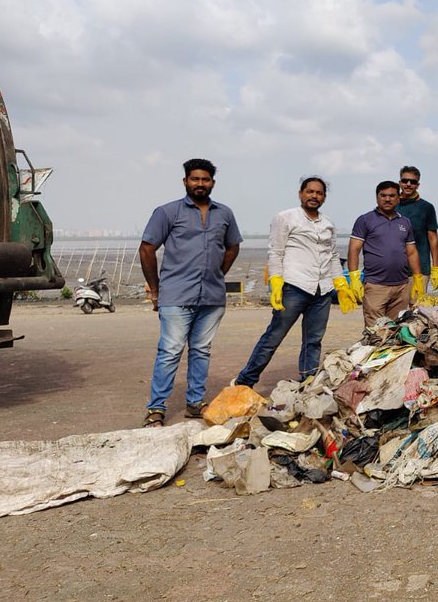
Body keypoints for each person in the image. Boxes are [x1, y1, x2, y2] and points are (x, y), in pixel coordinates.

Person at [139, 159, 242, 427]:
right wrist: (156, 289)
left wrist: (218, 273)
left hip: (212, 296)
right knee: (170, 350)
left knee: (201, 350)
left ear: (212, 183)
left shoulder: (225, 214)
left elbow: (232, 246)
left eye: (205, 180)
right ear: (185, 181)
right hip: (175, 294)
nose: (200, 184)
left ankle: (195, 404)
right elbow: (147, 248)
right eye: (194, 179)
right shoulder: (167, 212)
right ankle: (156, 409)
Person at [236, 177, 355, 389]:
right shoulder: (285, 218)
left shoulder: (328, 223)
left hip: (323, 290)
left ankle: (308, 381)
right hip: (295, 287)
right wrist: (276, 282)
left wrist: (341, 284)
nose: (314, 196)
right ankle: (245, 381)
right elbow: (276, 252)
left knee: (313, 339)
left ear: (324, 197)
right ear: (300, 193)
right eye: (310, 191)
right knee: (274, 336)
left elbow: (333, 255)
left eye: (319, 193)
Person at [347, 180, 424, 326]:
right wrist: (354, 278)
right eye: (383, 195)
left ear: (398, 197)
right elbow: (354, 249)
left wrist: (418, 279)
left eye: (391, 196)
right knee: (375, 332)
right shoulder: (365, 220)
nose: (387, 199)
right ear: (377, 197)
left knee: (395, 332)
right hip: (376, 286)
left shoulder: (405, 222)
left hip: (401, 286)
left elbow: (412, 252)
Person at [397, 165, 438, 292]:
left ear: (418, 185)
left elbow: (433, 239)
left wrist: (436, 268)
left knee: (415, 308)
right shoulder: (391, 205)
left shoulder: (426, 207)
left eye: (413, 182)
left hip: (420, 269)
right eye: (405, 181)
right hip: (394, 270)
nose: (408, 184)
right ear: (400, 183)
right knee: (395, 309)